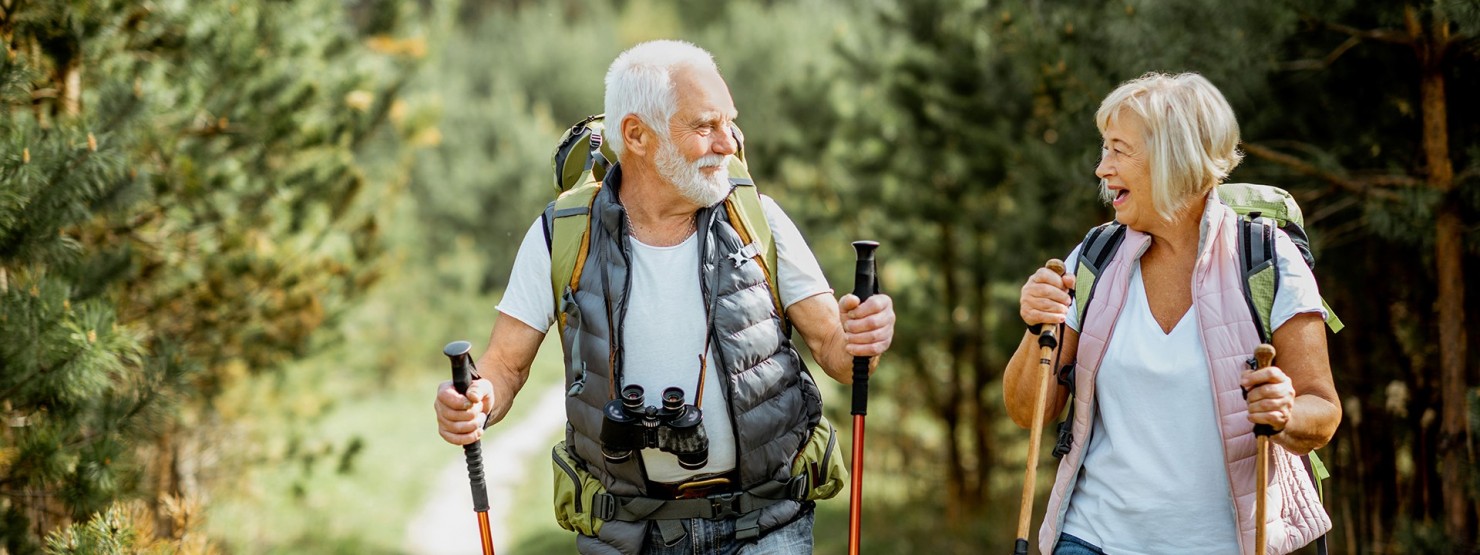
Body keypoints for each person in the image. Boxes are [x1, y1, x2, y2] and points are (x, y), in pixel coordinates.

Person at [434, 40, 895, 554]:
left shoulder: (756, 217)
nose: (729, 144)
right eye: (705, 127)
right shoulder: (561, 233)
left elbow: (836, 349)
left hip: (767, 524)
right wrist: (476, 400)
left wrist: (862, 336)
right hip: (626, 532)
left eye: (729, 122)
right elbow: (504, 368)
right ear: (637, 134)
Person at [1004, 73, 1340, 555]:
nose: (1102, 168)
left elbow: (1322, 411)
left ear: (1173, 159)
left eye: (1119, 150)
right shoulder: (1093, 257)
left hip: (1224, 545)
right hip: (1092, 538)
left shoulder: (1266, 259)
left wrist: (1284, 413)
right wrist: (1037, 326)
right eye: (1104, 149)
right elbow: (1025, 411)